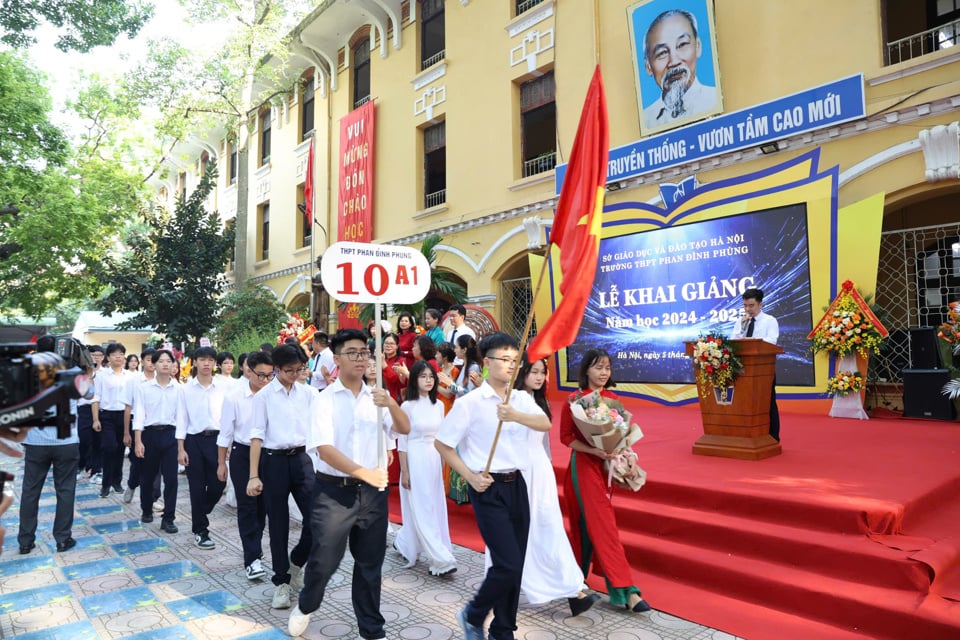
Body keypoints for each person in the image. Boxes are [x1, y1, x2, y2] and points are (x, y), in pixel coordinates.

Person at [288, 328, 410, 638]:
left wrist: (392, 404)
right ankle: (306, 604)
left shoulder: (376, 397)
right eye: (352, 353)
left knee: (370, 565)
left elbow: (404, 428)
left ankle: (372, 629)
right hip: (333, 493)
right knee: (324, 561)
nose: (360, 358)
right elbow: (325, 448)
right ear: (337, 358)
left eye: (364, 352)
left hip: (372, 494)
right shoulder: (324, 400)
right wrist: (363, 472)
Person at [435, 332, 552, 640]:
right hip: (487, 488)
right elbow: (444, 444)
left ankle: (503, 630)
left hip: (518, 485)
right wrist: (470, 476)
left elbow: (545, 423)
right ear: (486, 363)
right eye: (505, 359)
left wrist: (516, 415)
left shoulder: (522, 398)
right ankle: (473, 614)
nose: (512, 366)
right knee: (507, 563)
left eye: (516, 360)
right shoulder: (471, 403)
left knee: (516, 564)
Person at [561, 349, 651, 614]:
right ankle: (627, 591)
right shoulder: (575, 400)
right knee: (604, 526)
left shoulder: (612, 399)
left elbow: (620, 437)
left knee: (589, 527)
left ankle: (576, 579)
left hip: (606, 468)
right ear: (586, 370)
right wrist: (594, 450)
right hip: (584, 469)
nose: (603, 373)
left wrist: (631, 458)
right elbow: (566, 438)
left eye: (607, 368)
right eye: (598, 367)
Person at [506, 354, 597, 615]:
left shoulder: (535, 400)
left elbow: (543, 441)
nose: (538, 377)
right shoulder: (515, 399)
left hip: (540, 471)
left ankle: (572, 589)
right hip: (521, 471)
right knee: (535, 529)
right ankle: (570, 589)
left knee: (548, 527)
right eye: (533, 371)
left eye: (542, 372)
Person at [247, 344, 316, 609]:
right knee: (278, 525)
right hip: (273, 462)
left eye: (299, 370)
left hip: (302, 460)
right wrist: (254, 476)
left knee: (316, 520)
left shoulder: (309, 394)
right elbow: (257, 436)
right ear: (277, 369)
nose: (295, 375)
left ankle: (296, 563)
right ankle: (281, 583)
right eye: (289, 371)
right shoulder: (264, 397)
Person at [17, 335, 81, 555]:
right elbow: (90, 393)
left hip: (35, 442)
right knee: (65, 490)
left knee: (30, 491)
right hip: (66, 442)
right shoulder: (73, 373)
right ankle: (63, 539)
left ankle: (25, 541)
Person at [395, 361, 458, 576]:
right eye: (423, 376)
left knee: (434, 505)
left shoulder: (439, 405)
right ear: (414, 379)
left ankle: (404, 542)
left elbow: (441, 438)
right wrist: (405, 471)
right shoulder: (407, 406)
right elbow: (402, 441)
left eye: (431, 376)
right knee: (421, 507)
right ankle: (439, 560)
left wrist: (441, 464)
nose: (428, 380)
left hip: (433, 458)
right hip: (415, 457)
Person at [176, 346, 229, 550]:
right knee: (196, 487)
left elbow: (227, 419)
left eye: (210, 360)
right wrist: (181, 449)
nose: (206, 363)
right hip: (193, 441)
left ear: (215, 363)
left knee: (218, 483)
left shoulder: (223, 389)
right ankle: (200, 530)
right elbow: (181, 419)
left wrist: (229, 443)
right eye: (202, 359)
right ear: (195, 362)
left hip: (217, 441)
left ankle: (201, 510)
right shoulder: (185, 389)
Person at [641, 9, 718, 130]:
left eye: (682, 45)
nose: (674, 62)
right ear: (648, 67)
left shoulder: (714, 100)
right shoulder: (646, 119)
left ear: (697, 46)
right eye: (662, 53)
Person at [132, 349, 181, 534]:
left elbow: (182, 418)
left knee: (171, 479)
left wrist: (181, 445)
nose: (165, 364)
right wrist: (138, 441)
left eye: (169, 361)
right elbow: (139, 415)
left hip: (171, 436)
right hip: (149, 435)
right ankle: (146, 508)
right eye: (161, 361)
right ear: (154, 364)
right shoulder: (143, 387)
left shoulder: (179, 389)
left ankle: (168, 518)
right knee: (147, 477)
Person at [731, 287, 781, 441]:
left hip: (763, 369)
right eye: (745, 306)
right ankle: (746, 434)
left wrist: (753, 343)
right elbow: (732, 341)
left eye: (751, 305)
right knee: (744, 402)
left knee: (767, 402)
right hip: (743, 369)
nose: (748, 309)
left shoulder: (770, 321)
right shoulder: (741, 321)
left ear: (761, 304)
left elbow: (772, 342)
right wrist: (742, 330)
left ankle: (773, 436)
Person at [92, 342, 132, 498]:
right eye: (115, 354)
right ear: (108, 358)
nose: (119, 357)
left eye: (121, 354)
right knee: (109, 448)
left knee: (120, 449)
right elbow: (96, 398)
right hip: (107, 415)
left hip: (125, 415)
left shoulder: (130, 376)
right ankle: (105, 483)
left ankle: (117, 481)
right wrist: (96, 419)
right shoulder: (101, 376)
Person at [123, 348, 163, 506]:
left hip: (157, 427)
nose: (152, 363)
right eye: (148, 359)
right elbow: (128, 407)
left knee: (157, 463)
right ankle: (132, 485)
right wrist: (127, 432)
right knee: (138, 461)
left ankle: (153, 497)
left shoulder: (165, 379)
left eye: (156, 360)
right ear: (143, 361)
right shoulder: (134, 381)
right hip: (138, 425)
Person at [78, 345, 103, 483]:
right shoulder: (80, 374)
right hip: (83, 410)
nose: (96, 358)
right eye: (93, 355)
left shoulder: (105, 373)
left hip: (100, 409)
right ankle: (81, 465)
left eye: (99, 355)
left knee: (98, 442)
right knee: (84, 441)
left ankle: (96, 470)